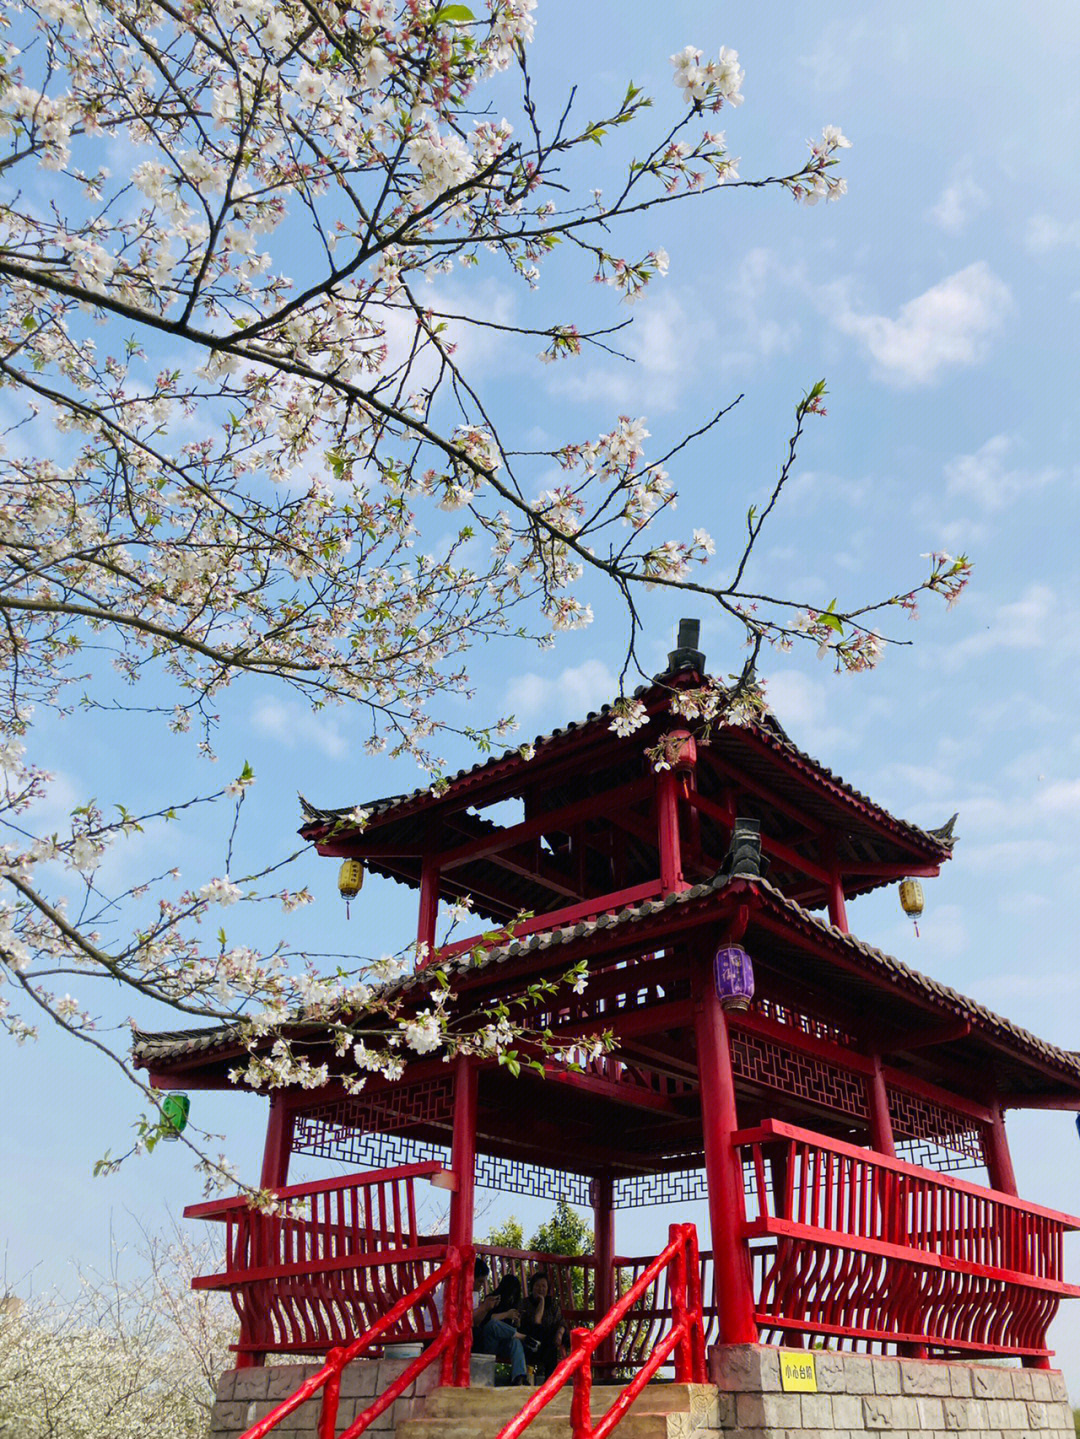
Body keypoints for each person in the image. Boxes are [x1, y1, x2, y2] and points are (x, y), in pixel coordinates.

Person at [471, 1259, 529, 1385]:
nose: (512, 1296)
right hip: (489, 1342)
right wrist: (505, 1314)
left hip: (504, 1344)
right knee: (494, 1325)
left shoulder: (514, 1304)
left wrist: (516, 1323)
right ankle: (523, 1337)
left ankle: (519, 1377)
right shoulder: (492, 1299)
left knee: (515, 1341)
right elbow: (486, 1322)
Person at [520, 1271, 569, 1382]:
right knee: (543, 1334)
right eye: (537, 1285)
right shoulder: (525, 1303)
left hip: (548, 1344)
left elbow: (561, 1322)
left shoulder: (552, 1304)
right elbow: (536, 1323)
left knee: (552, 1342)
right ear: (532, 1287)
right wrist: (541, 1302)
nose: (540, 1289)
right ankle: (550, 1381)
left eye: (544, 1286)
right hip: (531, 1343)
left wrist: (559, 1335)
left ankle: (550, 1381)